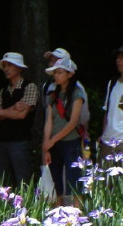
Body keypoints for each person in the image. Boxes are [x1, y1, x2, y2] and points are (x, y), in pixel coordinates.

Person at [43, 57, 87, 205]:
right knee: (56, 185)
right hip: (53, 145)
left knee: (74, 183)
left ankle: (77, 217)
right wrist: (46, 147)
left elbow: (73, 122)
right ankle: (58, 217)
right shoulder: (52, 95)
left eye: (60, 72)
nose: (56, 75)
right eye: (55, 72)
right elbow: (48, 122)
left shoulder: (77, 93)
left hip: (71, 143)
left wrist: (52, 140)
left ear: (70, 74)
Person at [0, 52, 39, 187]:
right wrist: (13, 107)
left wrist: (3, 112)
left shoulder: (30, 87)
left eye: (10, 65)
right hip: (3, 141)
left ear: (19, 68)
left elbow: (22, 115)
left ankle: (27, 207)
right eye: (5, 66)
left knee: (23, 180)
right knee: (4, 181)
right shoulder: (3, 91)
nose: (6, 69)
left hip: (21, 141)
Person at [100, 45, 123, 157]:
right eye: (117, 57)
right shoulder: (112, 83)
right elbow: (107, 112)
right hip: (108, 141)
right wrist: (103, 135)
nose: (118, 60)